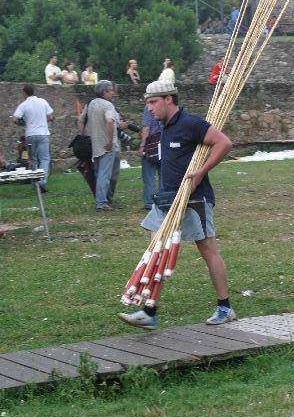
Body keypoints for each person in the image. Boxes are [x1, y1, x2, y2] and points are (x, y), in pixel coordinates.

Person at [118, 80, 234, 330]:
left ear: (168, 99)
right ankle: (149, 311)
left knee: (207, 250)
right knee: (156, 247)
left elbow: (224, 143)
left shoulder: (190, 123)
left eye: (152, 102)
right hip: (166, 199)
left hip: (194, 199)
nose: (149, 109)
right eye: (147, 103)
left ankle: (225, 307)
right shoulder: (164, 127)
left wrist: (201, 171)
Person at [78, 80, 119, 211]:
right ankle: (101, 202)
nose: (112, 92)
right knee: (104, 175)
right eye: (110, 90)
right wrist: (109, 140)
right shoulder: (108, 105)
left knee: (98, 173)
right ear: (105, 91)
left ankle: (101, 199)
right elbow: (110, 121)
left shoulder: (90, 104)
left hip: (93, 144)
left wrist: (84, 135)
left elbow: (80, 120)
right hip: (106, 145)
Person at [13, 84, 54, 192]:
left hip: (30, 134)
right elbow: (50, 116)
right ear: (33, 91)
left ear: (24, 93)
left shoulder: (23, 104)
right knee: (45, 159)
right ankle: (42, 182)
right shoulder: (43, 101)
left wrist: (22, 123)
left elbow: (15, 119)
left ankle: (36, 182)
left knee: (33, 159)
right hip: (43, 133)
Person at [139, 104, 163, 210]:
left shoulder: (149, 107)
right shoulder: (166, 105)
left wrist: (142, 145)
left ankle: (149, 202)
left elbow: (146, 127)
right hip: (164, 141)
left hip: (151, 143)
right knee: (163, 174)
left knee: (149, 175)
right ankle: (163, 200)